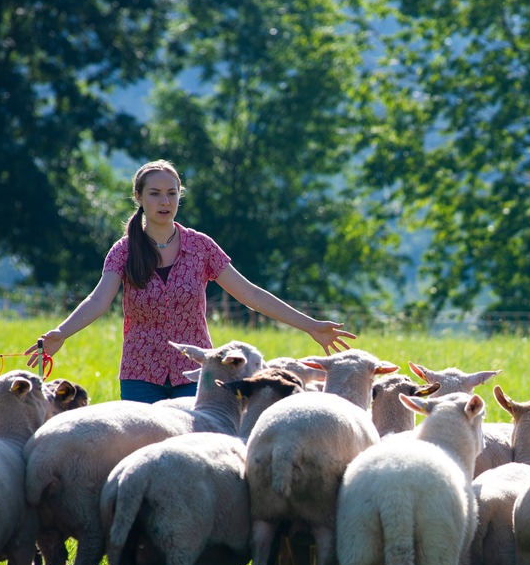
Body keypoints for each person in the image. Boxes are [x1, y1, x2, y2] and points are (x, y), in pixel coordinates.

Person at [26, 159, 355, 403]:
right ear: (139, 197)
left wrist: (309, 325)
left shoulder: (201, 246)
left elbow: (250, 294)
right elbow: (98, 301)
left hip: (198, 373)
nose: (164, 202)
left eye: (172, 193)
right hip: (140, 374)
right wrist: (61, 333)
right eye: (155, 194)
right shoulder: (123, 250)